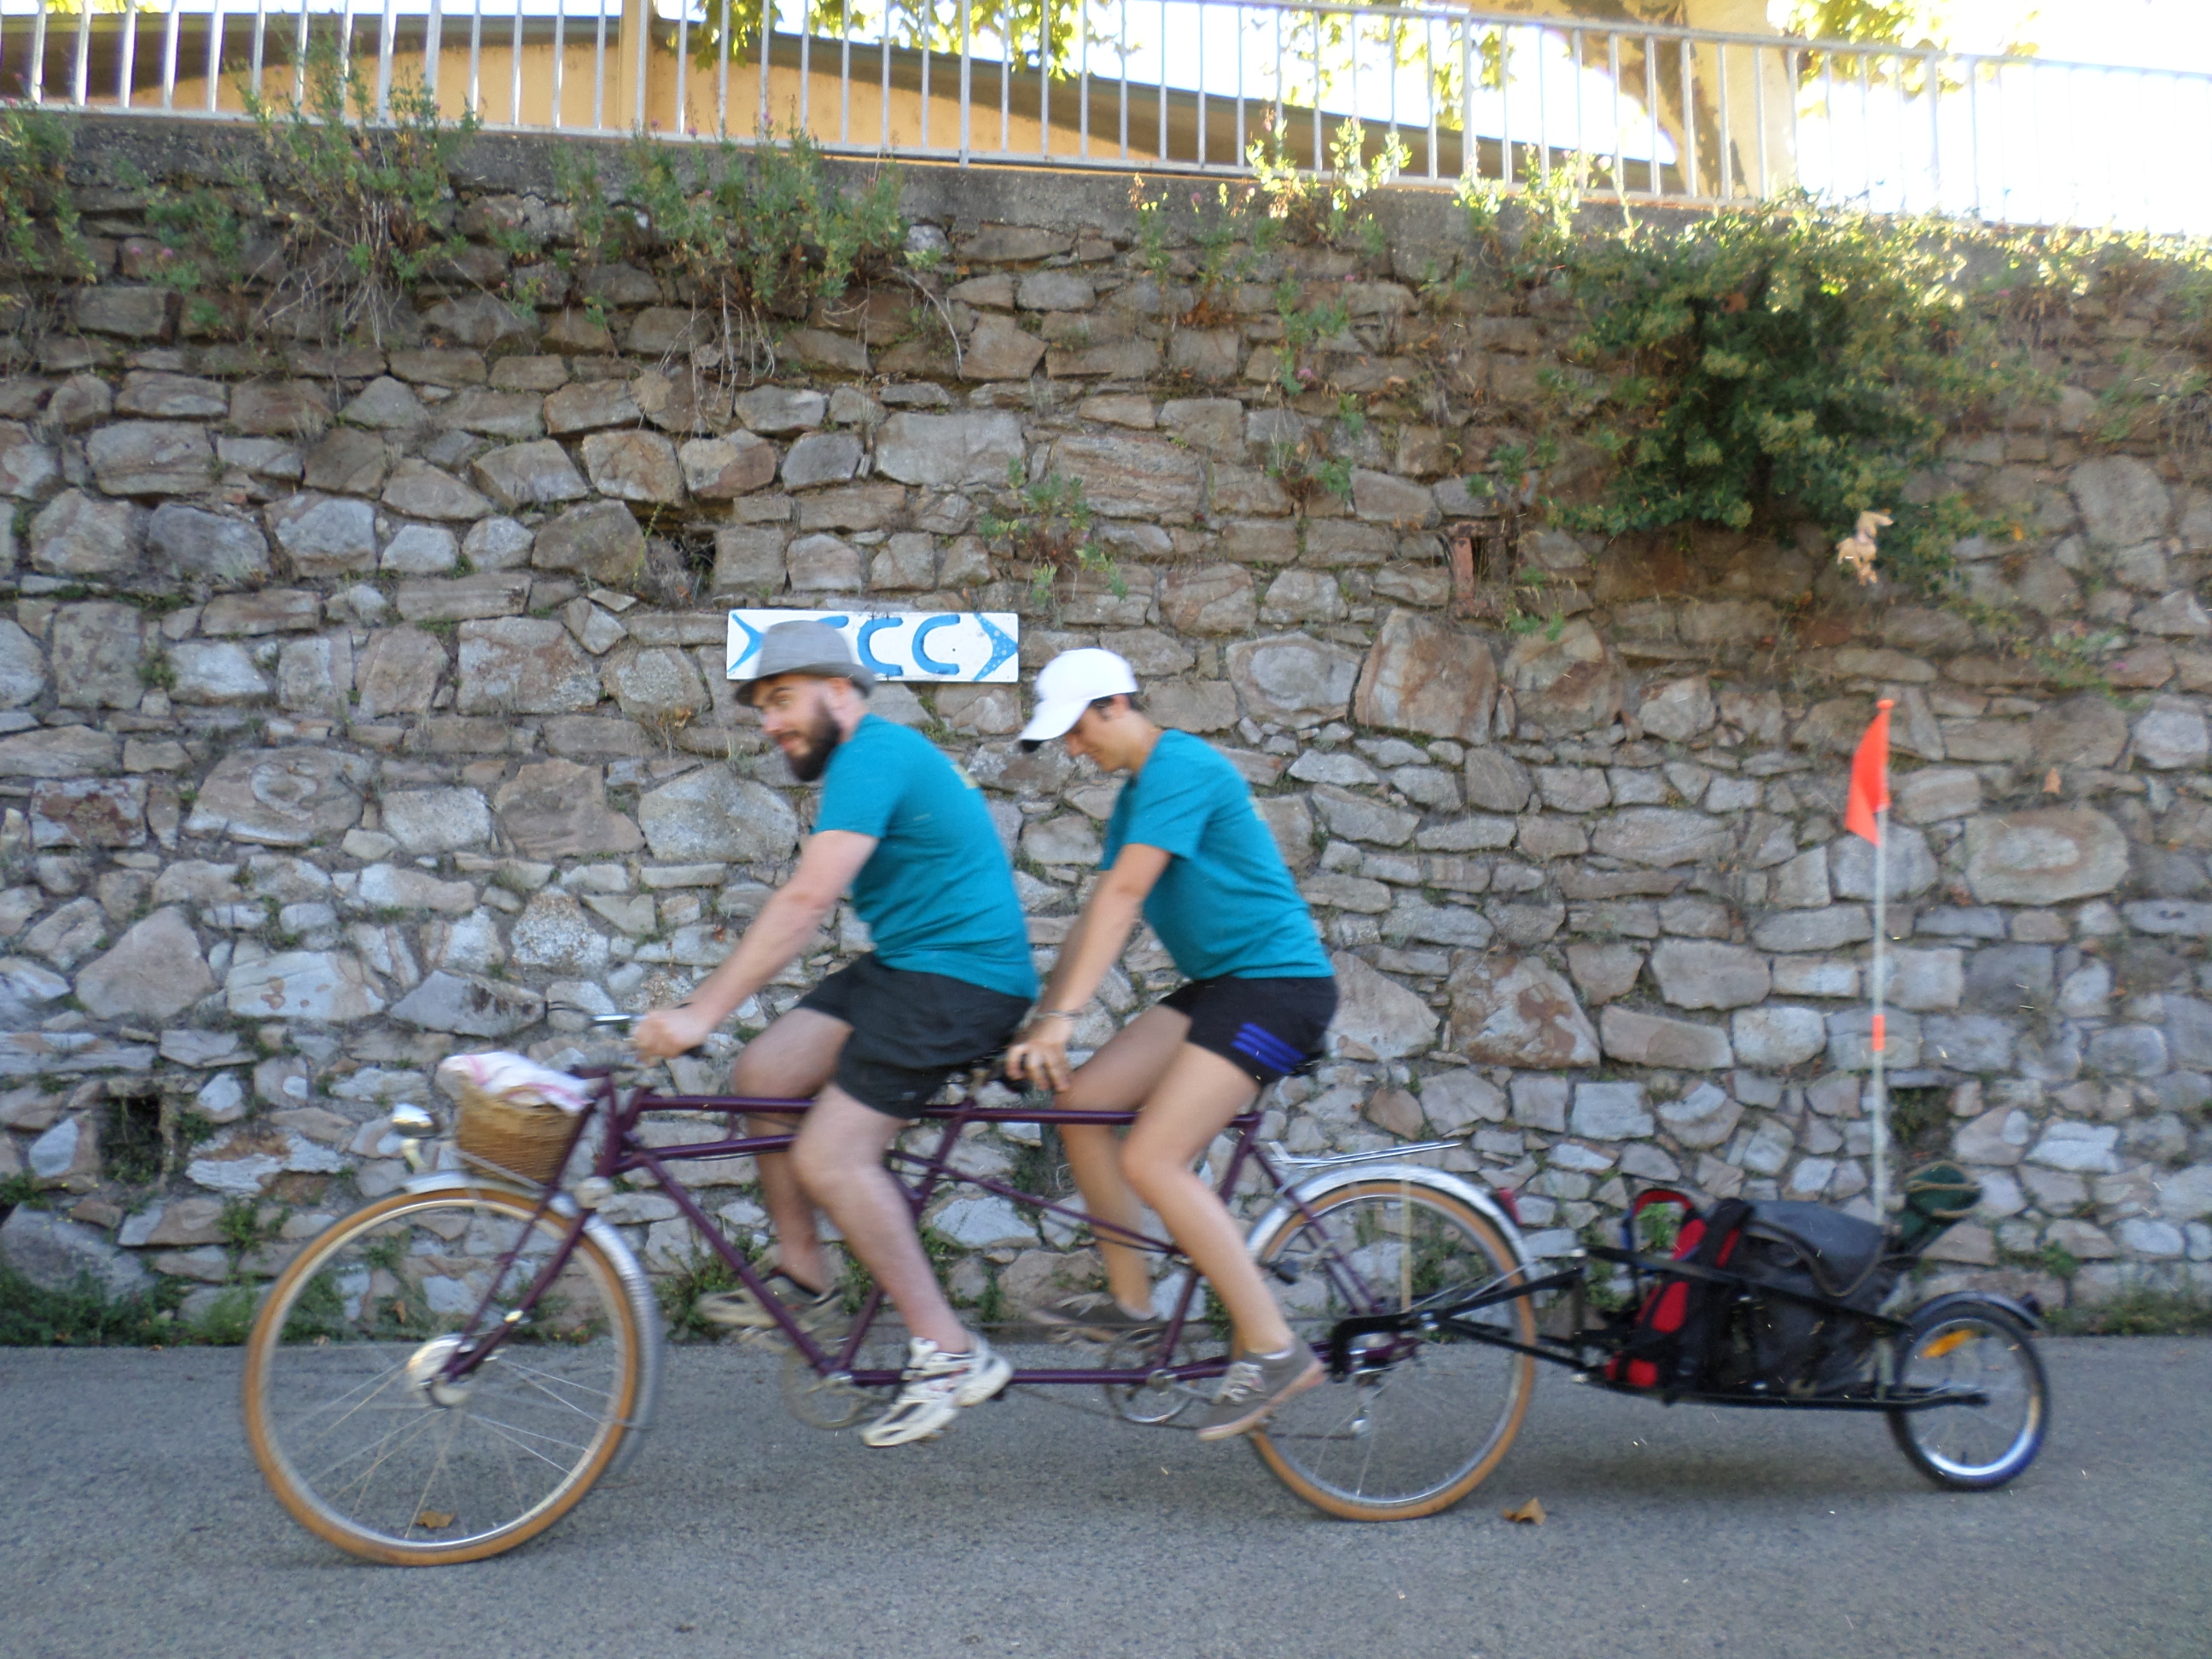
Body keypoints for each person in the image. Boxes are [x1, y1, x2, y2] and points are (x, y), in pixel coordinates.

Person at [632, 620, 1038, 1448]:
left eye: (782, 700)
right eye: (761, 708)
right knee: (765, 1073)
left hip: (962, 980)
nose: (770, 723)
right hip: (912, 964)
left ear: (840, 691)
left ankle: (950, 1353)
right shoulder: (868, 759)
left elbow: (808, 901)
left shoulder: (873, 756)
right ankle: (805, 1276)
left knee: (830, 1156)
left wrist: (701, 1012)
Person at [1003, 649, 1339, 1441]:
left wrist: (1064, 1021)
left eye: (1077, 729)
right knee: (1082, 1104)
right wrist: (1041, 1018)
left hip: (1278, 987)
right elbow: (1099, 912)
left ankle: (1277, 1349)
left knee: (1153, 1158)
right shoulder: (1137, 794)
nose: (1073, 748)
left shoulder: (1182, 767)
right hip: (1223, 986)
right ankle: (1133, 1308)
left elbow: (1127, 895)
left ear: (1117, 703)